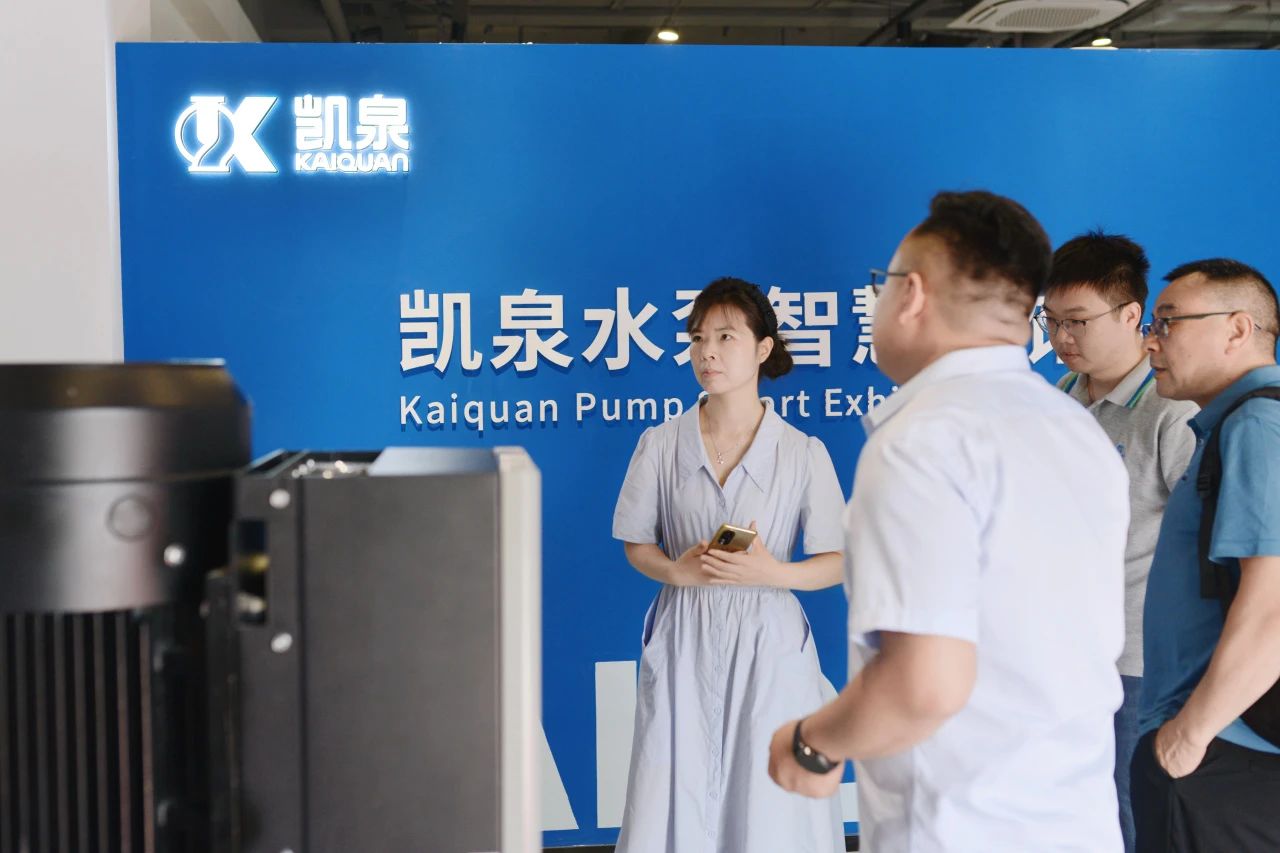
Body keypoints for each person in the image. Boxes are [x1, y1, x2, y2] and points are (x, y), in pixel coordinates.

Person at [769, 190, 1129, 852]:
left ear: (910, 295)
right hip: (1076, 821)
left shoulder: (921, 441)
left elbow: (923, 685)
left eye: (881, 285)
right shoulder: (1075, 429)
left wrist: (811, 742)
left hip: (960, 826)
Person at [612, 276, 846, 853]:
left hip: (768, 637)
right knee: (672, 789)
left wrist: (775, 574)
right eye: (697, 339)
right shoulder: (661, 444)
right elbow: (636, 543)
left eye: (725, 337)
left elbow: (838, 560)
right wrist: (677, 571)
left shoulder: (802, 452)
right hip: (684, 631)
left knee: (767, 806)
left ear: (763, 348)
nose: (707, 353)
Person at [1039, 231, 1197, 852]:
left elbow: (1201, 539)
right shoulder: (1060, 398)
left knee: (1132, 812)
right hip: (1064, 651)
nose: (1061, 337)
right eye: (1051, 321)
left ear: (1132, 314)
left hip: (1137, 660)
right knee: (1076, 814)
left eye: (1077, 321)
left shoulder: (1171, 409)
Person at [1130, 258, 1280, 851]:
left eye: (1168, 322)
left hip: (1224, 753)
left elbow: (1272, 609)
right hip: (1220, 747)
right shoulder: (1232, 426)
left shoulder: (1257, 426)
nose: (1151, 341)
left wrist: (1187, 739)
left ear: (1238, 329)